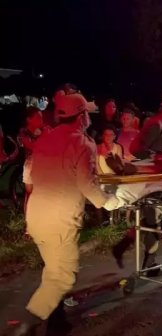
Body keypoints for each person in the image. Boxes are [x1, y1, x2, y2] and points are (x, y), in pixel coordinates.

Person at [13, 93, 122, 336]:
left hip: (37, 215)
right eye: (87, 114)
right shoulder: (82, 144)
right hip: (59, 219)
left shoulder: (44, 140)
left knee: (53, 269)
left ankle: (56, 321)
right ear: (81, 116)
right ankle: (28, 325)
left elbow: (32, 177)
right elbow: (87, 186)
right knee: (64, 276)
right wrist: (111, 202)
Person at [112, 88, 162, 270]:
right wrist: (157, 156)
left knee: (150, 221)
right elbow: (135, 148)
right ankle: (147, 262)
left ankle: (131, 251)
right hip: (150, 181)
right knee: (151, 221)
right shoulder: (156, 124)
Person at [17, 107, 48, 214]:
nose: (41, 120)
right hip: (31, 165)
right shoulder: (24, 132)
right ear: (29, 119)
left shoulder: (45, 130)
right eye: (38, 117)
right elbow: (31, 146)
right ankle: (28, 221)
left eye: (41, 117)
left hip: (44, 165)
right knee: (30, 193)